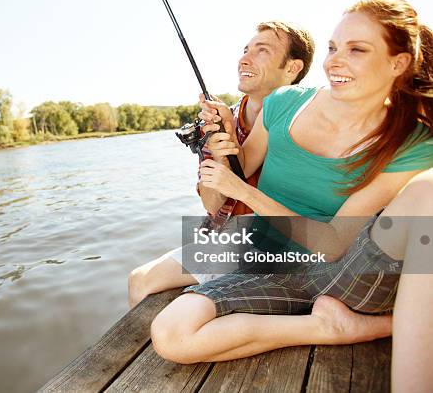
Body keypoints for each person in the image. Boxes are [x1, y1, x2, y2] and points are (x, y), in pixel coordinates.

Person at [149, 0, 433, 385]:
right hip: (267, 260)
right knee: (170, 333)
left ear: (397, 63)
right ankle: (330, 327)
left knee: (427, 194)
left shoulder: (413, 141)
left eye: (357, 50)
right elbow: (223, 194)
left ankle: (375, 324)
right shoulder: (283, 104)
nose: (335, 60)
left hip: (342, 268)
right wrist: (219, 145)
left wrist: (245, 194)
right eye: (333, 47)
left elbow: (332, 244)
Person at [128, 21, 315, 307]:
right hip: (231, 236)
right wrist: (220, 156)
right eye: (245, 50)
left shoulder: (308, 118)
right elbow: (213, 204)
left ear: (292, 68)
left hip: (285, 244)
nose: (244, 59)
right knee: (140, 280)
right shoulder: (219, 121)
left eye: (262, 50)